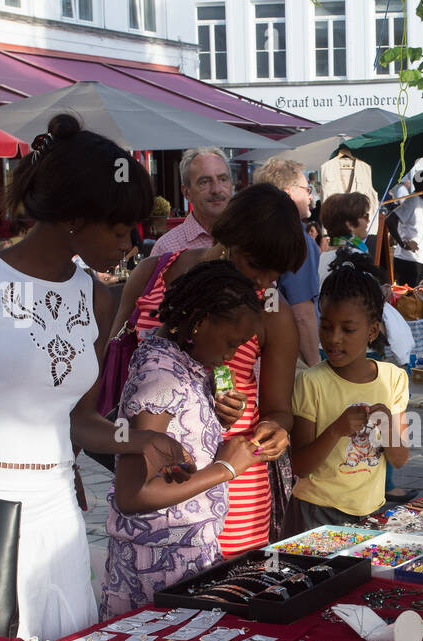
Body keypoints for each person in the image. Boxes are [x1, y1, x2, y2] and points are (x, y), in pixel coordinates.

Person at [0, 114, 186, 641]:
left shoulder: (99, 298)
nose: (130, 242)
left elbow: (81, 421)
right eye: (117, 226)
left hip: (57, 508)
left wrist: (141, 441)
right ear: (74, 218)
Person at [118, 184, 305, 555]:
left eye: (275, 274)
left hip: (236, 486)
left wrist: (276, 429)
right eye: (256, 265)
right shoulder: (154, 273)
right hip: (154, 477)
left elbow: (279, 409)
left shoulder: (273, 310)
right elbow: (117, 364)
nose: (264, 282)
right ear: (228, 237)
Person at [101, 261, 265, 617]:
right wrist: (224, 469)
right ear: (201, 320)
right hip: (157, 567)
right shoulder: (159, 378)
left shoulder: (187, 361)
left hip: (184, 556)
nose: (232, 355)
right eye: (230, 342)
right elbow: (133, 494)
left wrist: (220, 417)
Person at [287, 249, 409, 532]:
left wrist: (387, 425)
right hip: (315, 514)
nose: (334, 339)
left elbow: (400, 459)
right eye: (326, 326)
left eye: (348, 329)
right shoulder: (311, 382)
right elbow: (300, 466)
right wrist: (335, 430)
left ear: (372, 331)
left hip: (370, 513)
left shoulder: (393, 379)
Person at [255, 159, 323, 367]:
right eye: (307, 189)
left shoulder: (258, 232)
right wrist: (315, 366)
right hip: (291, 350)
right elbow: (302, 312)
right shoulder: (297, 240)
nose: (311, 195)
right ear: (288, 193)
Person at [150, 147, 234, 256]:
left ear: (231, 186)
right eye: (204, 182)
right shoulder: (167, 248)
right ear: (186, 193)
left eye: (223, 179)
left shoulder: (249, 235)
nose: (216, 189)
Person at [386, 166, 423, 286]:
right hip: (407, 260)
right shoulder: (412, 202)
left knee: (421, 298)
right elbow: (390, 220)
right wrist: (402, 243)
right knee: (410, 301)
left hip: (421, 260)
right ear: (422, 186)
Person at [318, 191, 371, 287]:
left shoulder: (322, 257)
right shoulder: (357, 256)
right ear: (350, 224)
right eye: (365, 216)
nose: (368, 220)